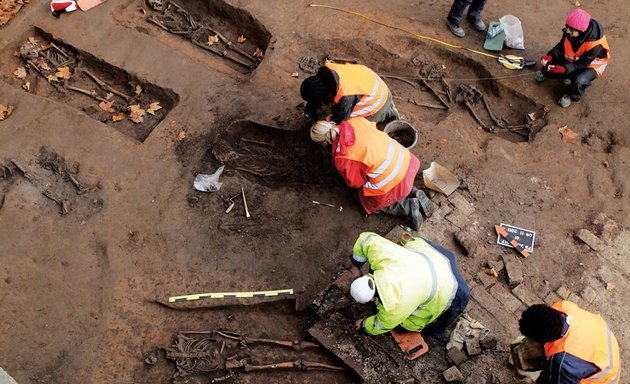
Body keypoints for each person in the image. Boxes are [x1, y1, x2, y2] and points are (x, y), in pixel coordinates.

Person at [310, 118, 431, 230]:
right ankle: (413, 191)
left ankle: (407, 206)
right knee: (390, 175)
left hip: (393, 178)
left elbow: (356, 183)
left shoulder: (342, 158)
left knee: (368, 199)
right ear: (330, 123)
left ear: (323, 143)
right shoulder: (354, 122)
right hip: (406, 161)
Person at [349, 232, 470, 340]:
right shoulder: (381, 255)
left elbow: (381, 325)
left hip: (447, 285)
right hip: (432, 253)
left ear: (371, 298)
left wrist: (364, 325)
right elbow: (365, 239)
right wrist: (356, 265)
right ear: (365, 277)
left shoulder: (394, 308)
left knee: (405, 325)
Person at [519, 301, 621, 384]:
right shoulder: (563, 306)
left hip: (604, 379)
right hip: (605, 347)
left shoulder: (565, 362)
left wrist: (539, 379)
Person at [539, 8, 610, 108]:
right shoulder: (570, 31)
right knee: (551, 68)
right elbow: (561, 47)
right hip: (574, 58)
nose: (567, 31)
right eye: (567, 27)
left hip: (590, 66)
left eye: (571, 30)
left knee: (579, 80)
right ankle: (564, 76)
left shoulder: (595, 46)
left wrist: (565, 69)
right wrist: (550, 56)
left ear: (582, 31)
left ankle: (572, 95)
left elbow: (582, 64)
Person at [300, 61, 400, 125]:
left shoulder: (345, 97)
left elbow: (339, 121)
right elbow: (315, 94)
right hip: (372, 83)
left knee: (350, 126)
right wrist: (310, 111)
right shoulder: (329, 69)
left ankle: (385, 112)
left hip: (378, 101)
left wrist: (330, 124)